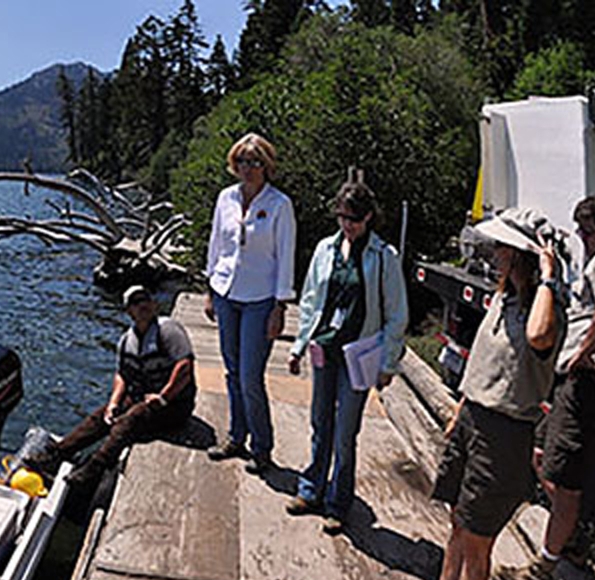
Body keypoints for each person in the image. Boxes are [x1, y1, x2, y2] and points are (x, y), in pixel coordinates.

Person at [391, 208, 565, 580]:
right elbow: (487, 358)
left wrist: (548, 277)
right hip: (474, 420)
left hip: (504, 434)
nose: (496, 254)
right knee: (457, 522)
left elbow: (538, 337)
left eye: (505, 249)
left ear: (525, 256)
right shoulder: (504, 297)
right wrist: (461, 407)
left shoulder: (545, 308)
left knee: (477, 541)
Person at [494, 196, 595, 580]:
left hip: (591, 382)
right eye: (580, 230)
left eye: (588, 231)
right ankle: (571, 535)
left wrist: (583, 350)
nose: (582, 237)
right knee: (544, 455)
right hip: (579, 382)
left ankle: (544, 568)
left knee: (566, 477)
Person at [286, 181, 408, 533]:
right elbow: (310, 300)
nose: (347, 225)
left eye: (353, 219)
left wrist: (388, 364)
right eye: (342, 217)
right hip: (324, 348)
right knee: (319, 422)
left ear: (368, 217)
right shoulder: (325, 249)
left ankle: (338, 503)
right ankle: (310, 490)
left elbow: (396, 314)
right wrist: (298, 346)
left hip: (359, 354)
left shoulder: (384, 257)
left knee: (345, 431)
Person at [29, 284, 195, 489]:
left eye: (145, 300)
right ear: (129, 311)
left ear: (153, 304)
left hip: (174, 405)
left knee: (131, 418)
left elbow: (185, 366)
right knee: (101, 416)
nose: (142, 305)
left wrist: (164, 397)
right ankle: (56, 454)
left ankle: (94, 469)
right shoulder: (127, 341)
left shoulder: (168, 330)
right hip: (144, 398)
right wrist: (113, 403)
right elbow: (122, 375)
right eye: (135, 303)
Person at [203, 132, 297, 474]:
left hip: (260, 299)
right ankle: (235, 437)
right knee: (231, 371)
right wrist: (209, 288)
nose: (248, 167)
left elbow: (285, 256)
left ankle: (262, 447)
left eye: (255, 161)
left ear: (266, 165)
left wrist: (280, 306)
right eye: (242, 160)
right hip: (226, 293)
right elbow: (217, 244)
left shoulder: (279, 205)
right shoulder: (225, 198)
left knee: (250, 377)